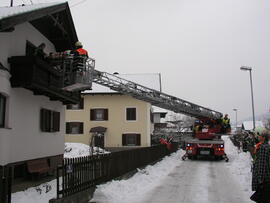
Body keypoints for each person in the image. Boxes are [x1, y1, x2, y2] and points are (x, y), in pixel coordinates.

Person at [251, 128, 270, 203]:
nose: (257, 136)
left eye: (259, 135)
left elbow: (261, 165)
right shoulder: (267, 146)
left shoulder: (262, 148)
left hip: (263, 180)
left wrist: (260, 180)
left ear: (263, 137)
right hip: (267, 179)